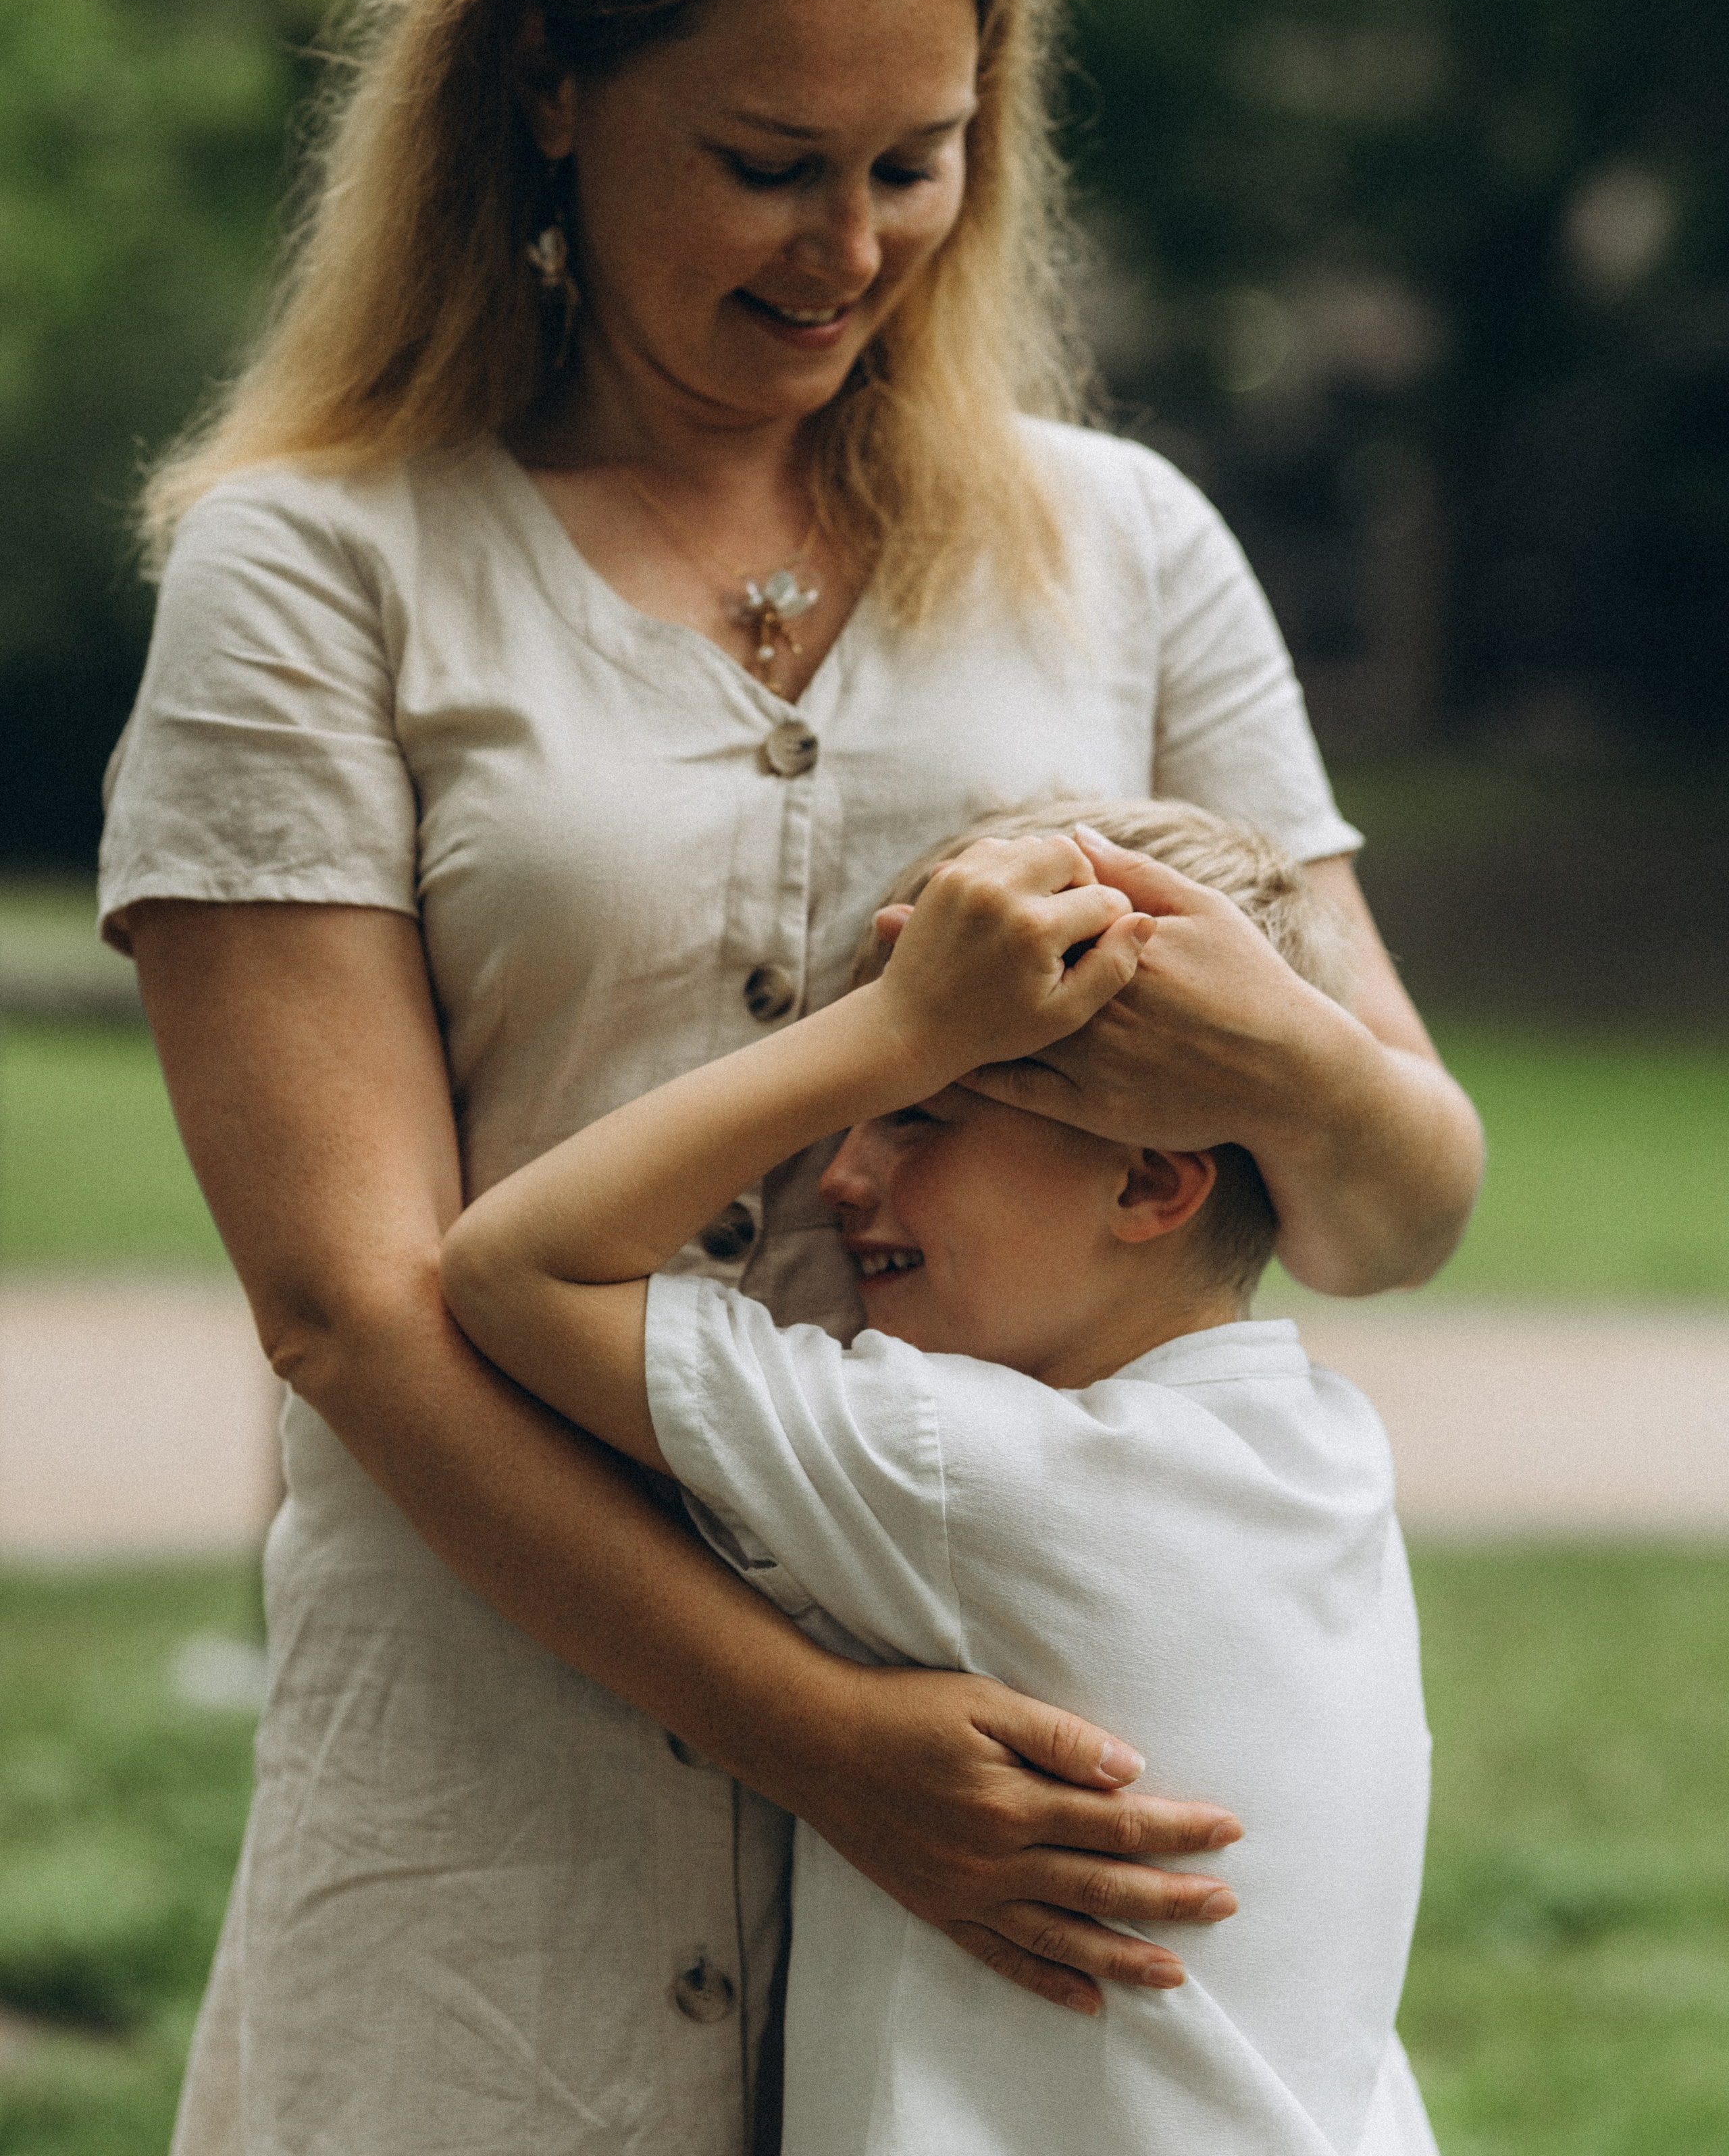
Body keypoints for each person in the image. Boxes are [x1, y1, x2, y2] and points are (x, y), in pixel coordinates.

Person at [97, 0, 1480, 2156]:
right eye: (763, 162)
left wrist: (1263, 1058)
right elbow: (347, 1307)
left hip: (1020, 1914)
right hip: (493, 1846)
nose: (851, 248)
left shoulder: (1128, 549)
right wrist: (826, 1744)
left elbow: (1396, 1204)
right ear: (543, 83)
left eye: (918, 162)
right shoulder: (315, 570)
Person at [439, 803, 1438, 2156]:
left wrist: (893, 1024)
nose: (838, 1176)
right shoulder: (1323, 1447)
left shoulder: (964, 1468)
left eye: (914, 1118)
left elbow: (514, 1270)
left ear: (1149, 1182)